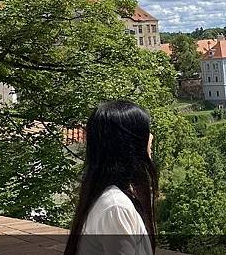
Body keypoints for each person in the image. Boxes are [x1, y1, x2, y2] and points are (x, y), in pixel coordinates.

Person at [64, 100, 157, 255]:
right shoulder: (116, 207)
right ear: (129, 144)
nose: (150, 137)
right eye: (144, 131)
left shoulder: (108, 197)